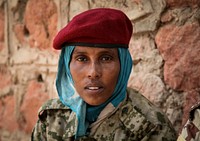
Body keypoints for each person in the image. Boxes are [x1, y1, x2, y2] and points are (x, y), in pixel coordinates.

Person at [31, 8, 177, 141]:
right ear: (67, 65)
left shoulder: (150, 128)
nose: (93, 73)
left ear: (124, 65)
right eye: (82, 59)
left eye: (106, 58)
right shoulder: (50, 118)